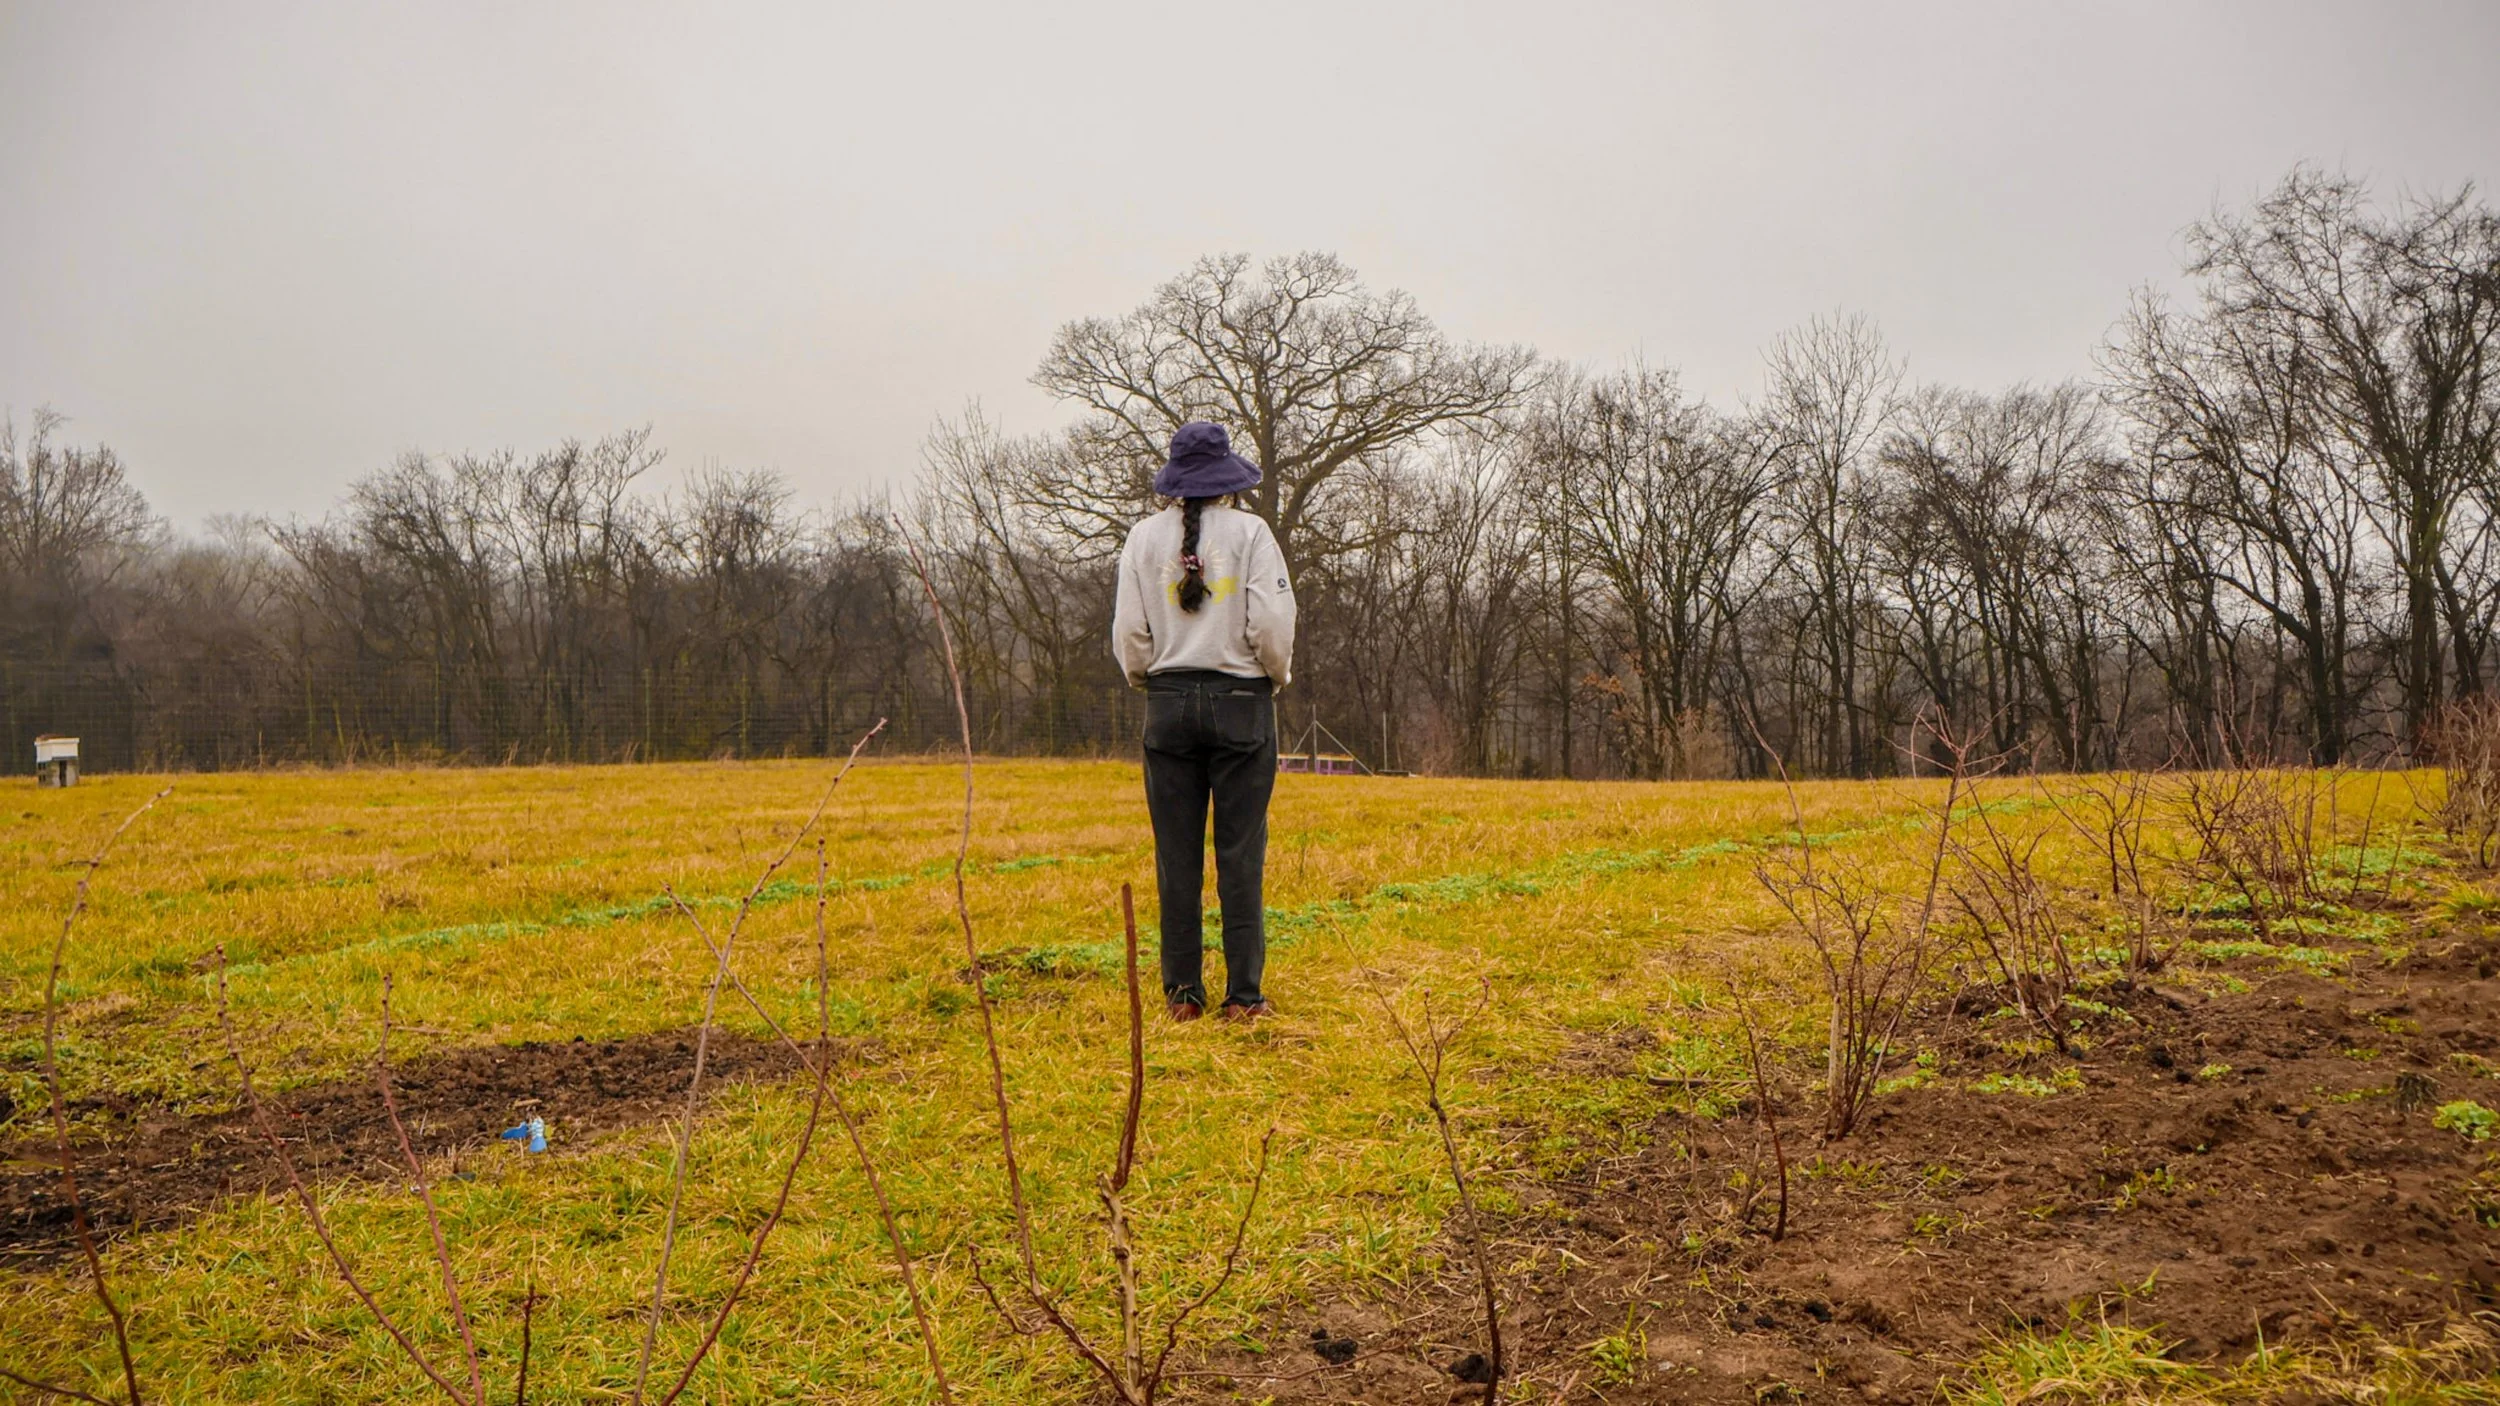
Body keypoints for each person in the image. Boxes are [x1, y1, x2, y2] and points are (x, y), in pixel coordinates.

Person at [1113, 421, 1296, 1022]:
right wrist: (1274, 675)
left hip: (1166, 703)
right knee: (1241, 853)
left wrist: (1153, 682)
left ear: (1174, 480)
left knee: (1177, 856)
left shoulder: (1142, 538)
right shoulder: (1253, 533)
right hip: (1241, 700)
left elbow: (1129, 636)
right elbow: (1271, 624)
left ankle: (1182, 996)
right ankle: (1244, 997)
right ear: (1226, 478)